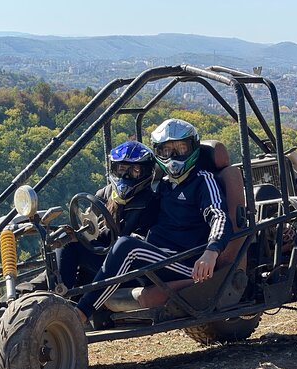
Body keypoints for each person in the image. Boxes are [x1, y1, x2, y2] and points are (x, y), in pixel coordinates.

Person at [75, 118, 232, 323]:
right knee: (75, 244)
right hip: (157, 258)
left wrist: (211, 252)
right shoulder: (165, 185)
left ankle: (79, 316)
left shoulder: (202, 180)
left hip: (186, 261)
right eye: (166, 151)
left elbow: (219, 216)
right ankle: (59, 303)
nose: (173, 156)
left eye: (181, 148)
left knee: (127, 246)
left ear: (193, 148)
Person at [26, 140, 158, 292]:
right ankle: (26, 293)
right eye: (121, 169)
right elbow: (93, 229)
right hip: (102, 256)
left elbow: (139, 245)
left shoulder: (152, 201)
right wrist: (78, 236)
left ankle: (58, 295)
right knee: (64, 242)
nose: (126, 175)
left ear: (146, 172)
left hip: (126, 267)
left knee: (71, 248)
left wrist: (88, 243)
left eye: (134, 170)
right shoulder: (104, 195)